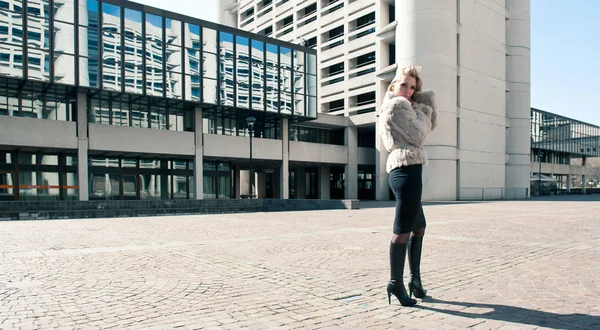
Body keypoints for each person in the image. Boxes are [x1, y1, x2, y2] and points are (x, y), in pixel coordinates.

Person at [378, 65, 437, 307]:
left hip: (408, 168)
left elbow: (427, 127)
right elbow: (420, 135)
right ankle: (395, 283)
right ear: (393, 86)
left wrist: (421, 104)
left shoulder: (402, 106)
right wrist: (424, 107)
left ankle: (415, 280)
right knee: (402, 229)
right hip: (405, 170)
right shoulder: (397, 106)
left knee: (419, 226)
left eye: (413, 88)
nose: (409, 91)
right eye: (404, 85)